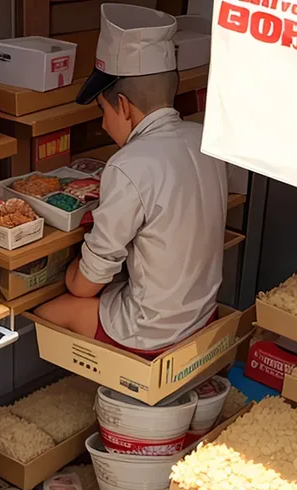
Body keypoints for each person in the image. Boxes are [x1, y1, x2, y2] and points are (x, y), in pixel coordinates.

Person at [35, 3, 228, 359]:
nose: (104, 125)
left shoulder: (129, 164)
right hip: (201, 315)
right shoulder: (204, 140)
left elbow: (85, 284)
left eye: (103, 112)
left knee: (46, 314)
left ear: (123, 106)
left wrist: (71, 270)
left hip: (153, 332)